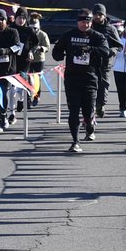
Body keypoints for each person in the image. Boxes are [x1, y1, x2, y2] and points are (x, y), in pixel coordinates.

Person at [51, 8, 110, 152]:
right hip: (72, 78)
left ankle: (90, 127)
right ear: (78, 22)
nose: (85, 25)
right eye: (83, 22)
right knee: (73, 111)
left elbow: (106, 52)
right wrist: (63, 54)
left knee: (88, 111)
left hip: (90, 78)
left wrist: (89, 49)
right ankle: (75, 141)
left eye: (88, 22)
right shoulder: (68, 36)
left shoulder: (97, 36)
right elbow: (56, 52)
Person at [90, 3, 123, 118]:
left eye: (100, 14)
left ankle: (100, 105)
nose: (97, 17)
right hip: (89, 62)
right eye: (95, 14)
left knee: (103, 86)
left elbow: (119, 45)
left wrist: (112, 51)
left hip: (104, 63)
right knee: (89, 86)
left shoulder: (110, 28)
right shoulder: (89, 26)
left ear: (104, 15)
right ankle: (90, 108)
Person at [8, 8, 39, 119]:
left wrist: (31, 51)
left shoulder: (29, 31)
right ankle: (11, 112)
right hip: (12, 61)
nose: (21, 20)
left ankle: (21, 99)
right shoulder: (10, 28)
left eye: (23, 18)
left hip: (24, 61)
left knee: (21, 85)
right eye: (19, 18)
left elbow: (35, 43)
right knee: (12, 87)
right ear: (15, 18)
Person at [27, 13, 49, 106]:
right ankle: (27, 98)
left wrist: (40, 48)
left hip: (39, 60)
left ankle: (36, 96)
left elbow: (47, 47)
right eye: (31, 28)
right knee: (27, 79)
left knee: (37, 79)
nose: (33, 30)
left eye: (35, 29)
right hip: (28, 60)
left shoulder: (42, 35)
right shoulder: (27, 34)